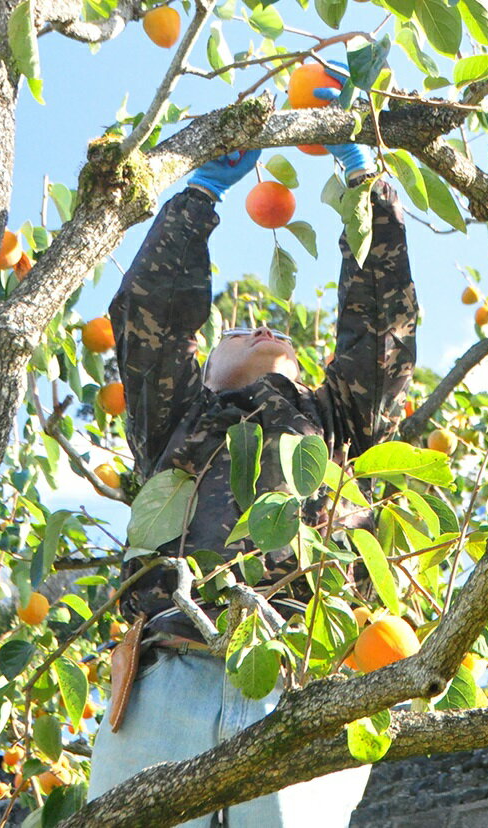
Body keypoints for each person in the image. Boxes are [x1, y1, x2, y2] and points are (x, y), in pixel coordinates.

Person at [87, 71, 417, 828]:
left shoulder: (335, 422)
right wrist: (197, 199)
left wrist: (365, 183)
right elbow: (151, 315)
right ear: (203, 366)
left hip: (302, 676)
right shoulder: (176, 419)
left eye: (279, 335)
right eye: (242, 331)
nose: (265, 330)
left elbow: (384, 334)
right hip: (168, 679)